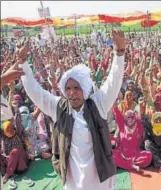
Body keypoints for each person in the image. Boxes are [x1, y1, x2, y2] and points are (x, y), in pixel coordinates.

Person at [16, 29, 126, 190]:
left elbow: (114, 81)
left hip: (99, 174)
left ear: (85, 89)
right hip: (73, 176)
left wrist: (119, 53)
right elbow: (35, 92)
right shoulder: (58, 107)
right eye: (68, 88)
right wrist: (23, 62)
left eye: (76, 88)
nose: (72, 93)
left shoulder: (98, 104)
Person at [1, 61, 25, 189]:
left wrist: (10, 89)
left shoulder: (17, 127)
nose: (9, 128)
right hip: (7, 159)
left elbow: (12, 114)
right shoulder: (3, 134)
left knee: (15, 152)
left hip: (20, 160)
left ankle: (8, 175)